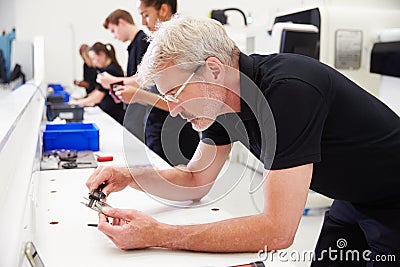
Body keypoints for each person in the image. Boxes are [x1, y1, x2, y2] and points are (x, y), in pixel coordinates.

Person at [86, 16, 400, 266]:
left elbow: (277, 230)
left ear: (212, 69)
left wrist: (161, 235)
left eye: (175, 95)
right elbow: (195, 178)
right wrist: (129, 176)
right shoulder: (221, 102)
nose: (173, 110)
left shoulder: (289, 91)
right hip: (353, 196)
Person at [99, 1, 199, 165]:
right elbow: (148, 83)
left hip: (175, 134)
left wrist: (138, 95)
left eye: (146, 15)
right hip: (159, 128)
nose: (143, 23)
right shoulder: (158, 44)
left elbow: (178, 103)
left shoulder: (179, 47)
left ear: (164, 10)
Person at [103, 9, 149, 141]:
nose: (114, 36)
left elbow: (144, 80)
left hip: (140, 112)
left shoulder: (142, 41)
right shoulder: (134, 44)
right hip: (134, 111)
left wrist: (113, 81)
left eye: (113, 30)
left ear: (121, 23)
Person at [71, 42, 125, 124]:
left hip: (114, 115)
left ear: (102, 54)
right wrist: (85, 100)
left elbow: (98, 96)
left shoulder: (111, 70)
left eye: (93, 59)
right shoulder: (104, 69)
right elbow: (98, 90)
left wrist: (78, 102)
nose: (93, 63)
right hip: (108, 111)